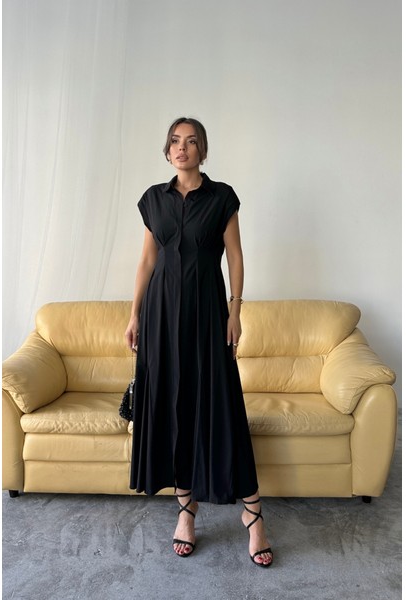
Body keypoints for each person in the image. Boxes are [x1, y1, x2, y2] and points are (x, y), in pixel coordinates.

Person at [124, 117, 273, 567]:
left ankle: (254, 516)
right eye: (175, 141)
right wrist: (134, 314)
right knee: (175, 408)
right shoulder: (154, 199)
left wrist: (235, 311)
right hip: (160, 318)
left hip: (208, 316)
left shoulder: (222, 197)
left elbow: (235, 257)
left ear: (202, 151)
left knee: (221, 408)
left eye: (191, 142)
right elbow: (147, 260)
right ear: (167, 149)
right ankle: (185, 512)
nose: (182, 148)